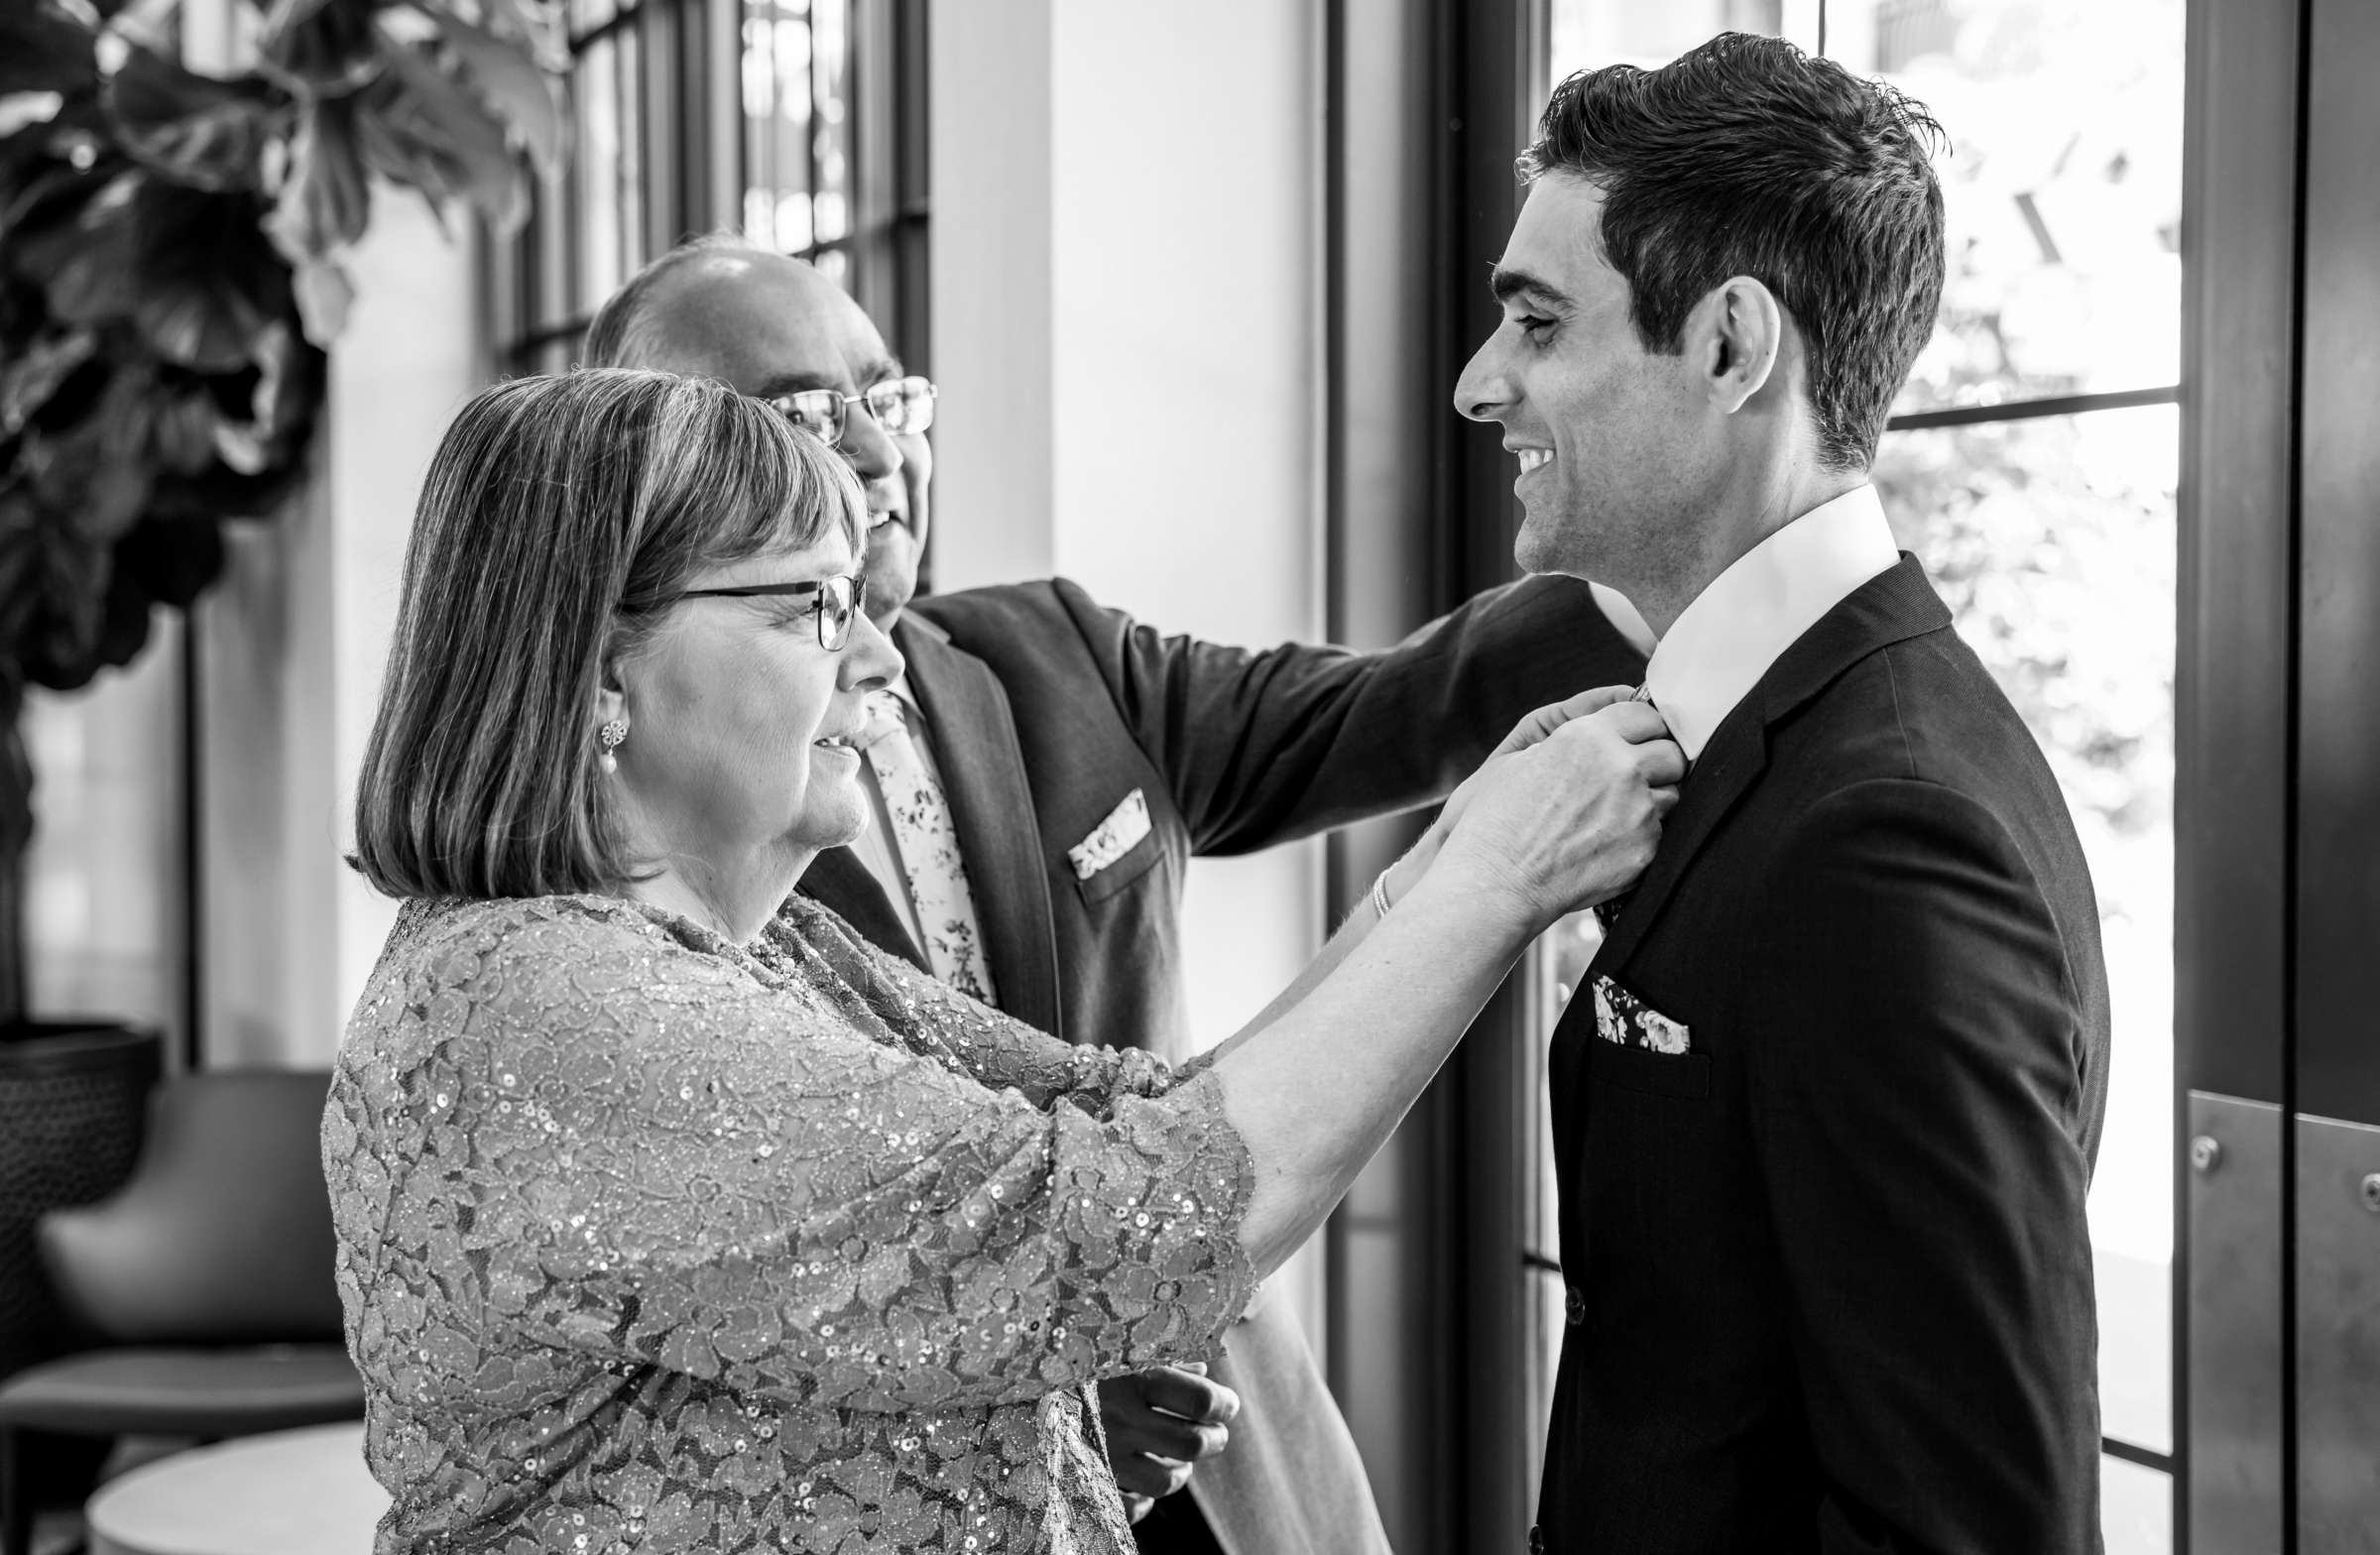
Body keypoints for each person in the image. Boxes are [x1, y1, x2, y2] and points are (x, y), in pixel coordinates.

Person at [325, 367, 1684, 1554]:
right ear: (597, 677)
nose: (876, 658)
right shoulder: (548, 1012)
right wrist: (1497, 885)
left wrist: (1451, 861)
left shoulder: (771, 950)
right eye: (809, 607)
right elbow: (1125, 1217)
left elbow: (1134, 1114)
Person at [1453, 33, 2111, 1554]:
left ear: (1735, 348)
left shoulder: (1887, 840)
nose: (1484, 384)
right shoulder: (1763, 733)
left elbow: (1968, 1523)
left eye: (1538, 325)